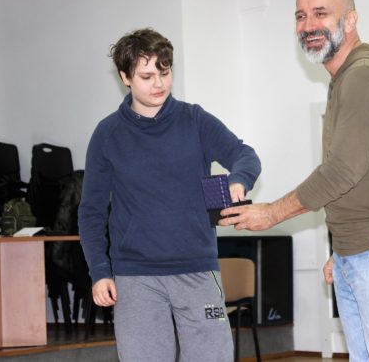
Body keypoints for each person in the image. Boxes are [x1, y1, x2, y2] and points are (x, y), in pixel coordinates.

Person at [220, 0, 369, 361]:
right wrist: (345, 251)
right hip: (361, 249)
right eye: (300, 16)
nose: (308, 25)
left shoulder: (363, 76)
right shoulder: (344, 79)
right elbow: (359, 177)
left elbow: (341, 172)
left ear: (350, 20)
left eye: (321, 13)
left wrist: (271, 213)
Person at [78, 28, 261, 362]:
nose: (159, 83)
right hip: (135, 276)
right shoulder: (107, 134)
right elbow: (91, 212)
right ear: (125, 77)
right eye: (147, 76)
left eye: (164, 72)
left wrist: (239, 179)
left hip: (198, 271)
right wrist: (100, 271)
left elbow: (244, 154)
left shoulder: (195, 120)